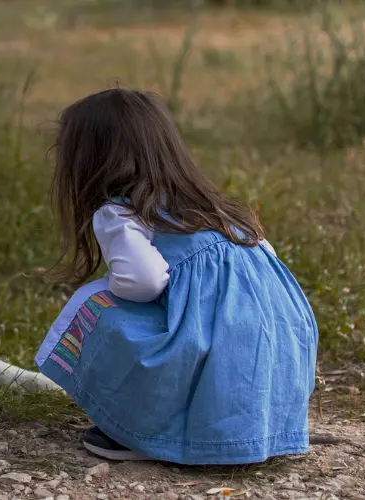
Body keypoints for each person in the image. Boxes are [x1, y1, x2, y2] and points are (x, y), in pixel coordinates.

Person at [35, 88, 318, 465]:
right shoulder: (218, 210)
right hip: (279, 347)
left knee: (96, 305)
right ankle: (247, 428)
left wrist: (112, 288)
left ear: (91, 162)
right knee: (212, 327)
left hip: (215, 348)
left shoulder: (120, 213)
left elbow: (144, 281)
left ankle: (144, 431)